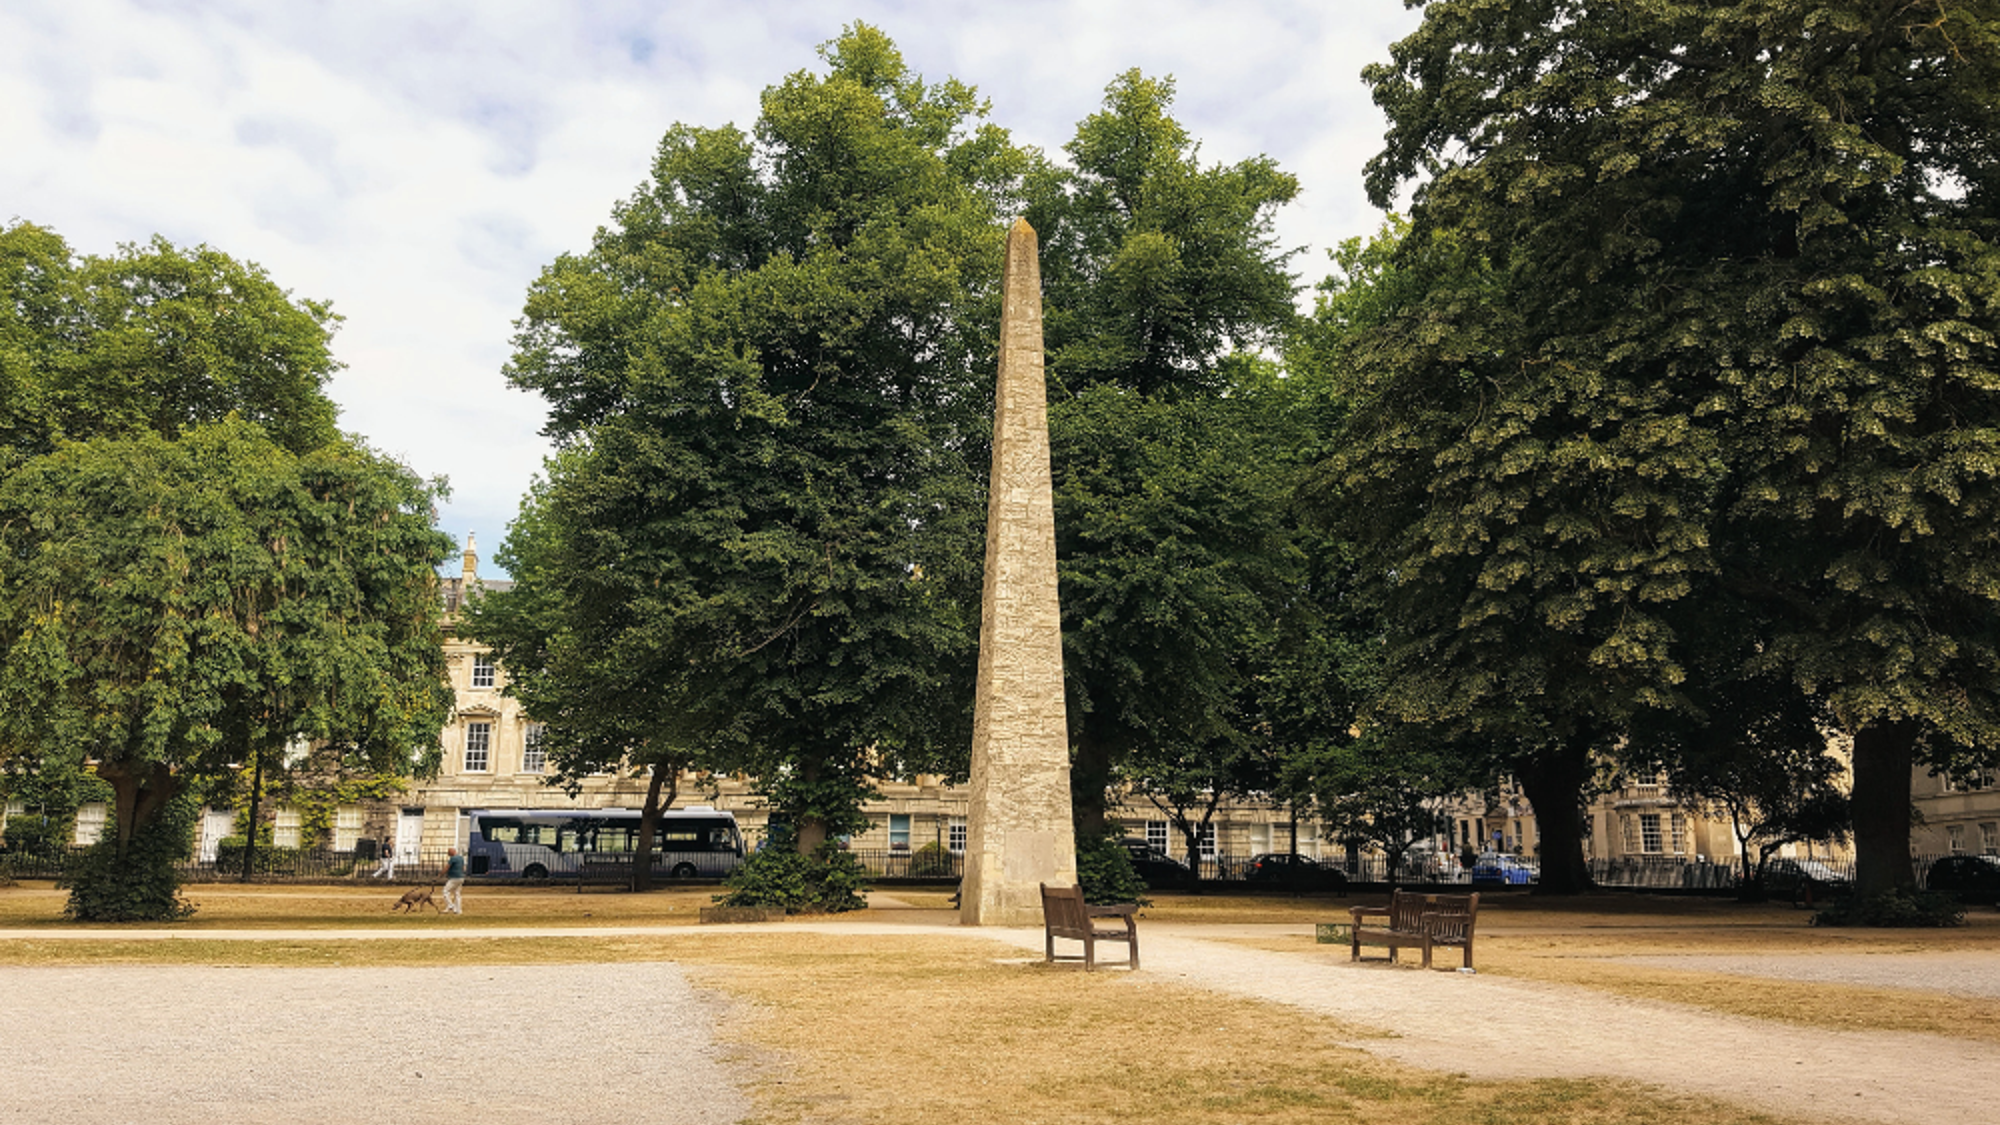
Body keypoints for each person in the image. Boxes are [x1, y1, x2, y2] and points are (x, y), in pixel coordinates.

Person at [442, 847, 466, 914]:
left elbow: (447, 867)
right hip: (461, 878)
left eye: (449, 853)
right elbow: (463, 868)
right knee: (457, 893)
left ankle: (450, 905)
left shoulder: (453, 859)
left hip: (454, 878)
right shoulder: (461, 858)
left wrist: (441, 874)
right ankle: (458, 910)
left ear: (452, 852)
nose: (448, 854)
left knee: (445, 891)